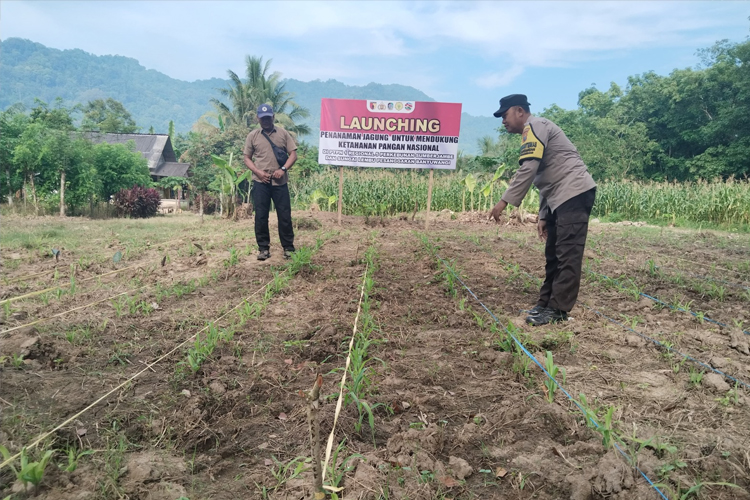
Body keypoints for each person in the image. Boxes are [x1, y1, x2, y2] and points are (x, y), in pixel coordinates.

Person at [489, 94, 597, 326]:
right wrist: (544, 215)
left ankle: (558, 310)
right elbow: (546, 177)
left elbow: (529, 168)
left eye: (505, 115)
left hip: (574, 193)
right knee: (553, 254)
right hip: (559, 197)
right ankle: (546, 303)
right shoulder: (534, 129)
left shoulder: (534, 126)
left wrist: (503, 201)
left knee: (567, 253)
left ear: (519, 111)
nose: (503, 121)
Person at [243, 104, 298, 260]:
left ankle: (288, 247)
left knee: (284, 215)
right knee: (261, 216)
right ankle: (263, 248)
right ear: (258, 118)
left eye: (268, 118)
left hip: (280, 183)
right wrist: (258, 172)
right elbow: (247, 158)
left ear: (273, 117)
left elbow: (293, 155)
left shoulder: (283, 134)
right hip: (261, 183)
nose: (266, 121)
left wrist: (283, 169)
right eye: (263, 118)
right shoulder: (252, 136)